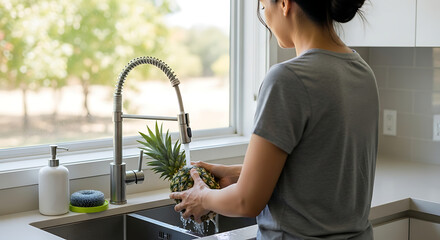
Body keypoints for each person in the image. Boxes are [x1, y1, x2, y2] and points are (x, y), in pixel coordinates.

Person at [170, 0, 379, 239]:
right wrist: (237, 173)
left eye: (262, 7)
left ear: (284, 3)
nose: (265, 18)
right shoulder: (363, 72)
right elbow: (320, 168)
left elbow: (246, 201)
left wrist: (201, 196)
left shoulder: (287, 79)